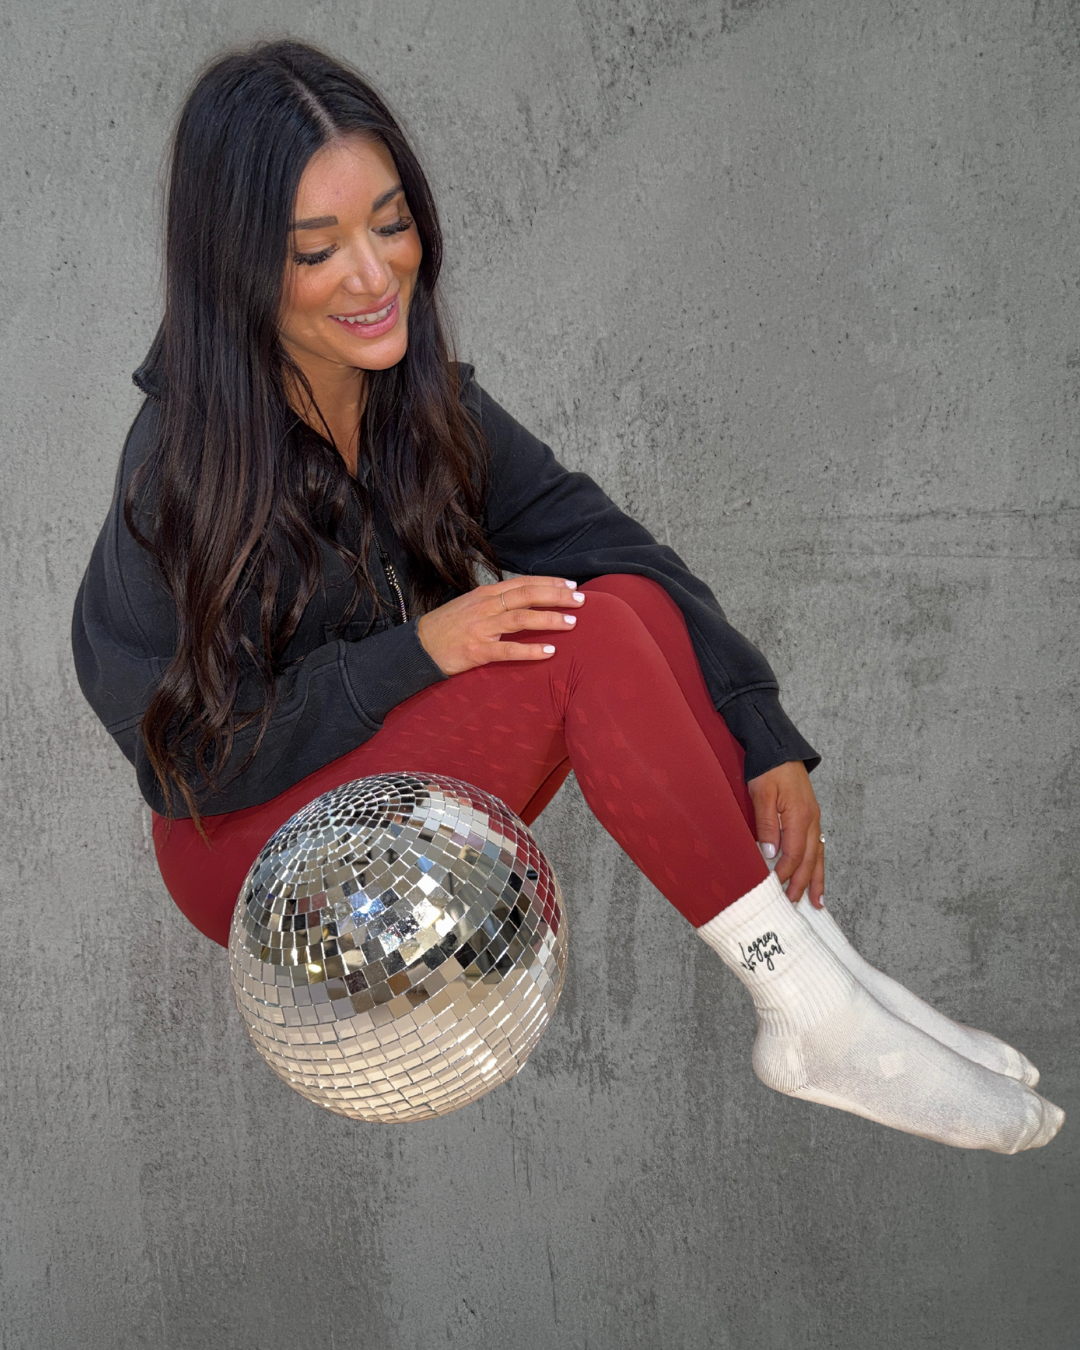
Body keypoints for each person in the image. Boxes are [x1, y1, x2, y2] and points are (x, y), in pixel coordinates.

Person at [71, 39, 1062, 1154]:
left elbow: (615, 549)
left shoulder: (423, 407)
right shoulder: (180, 464)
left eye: (390, 224)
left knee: (624, 602)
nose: (373, 275)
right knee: (587, 640)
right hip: (242, 842)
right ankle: (811, 1012)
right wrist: (419, 653)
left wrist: (760, 731)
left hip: (379, 797)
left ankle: (836, 983)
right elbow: (185, 760)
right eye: (317, 249)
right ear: (239, 268)